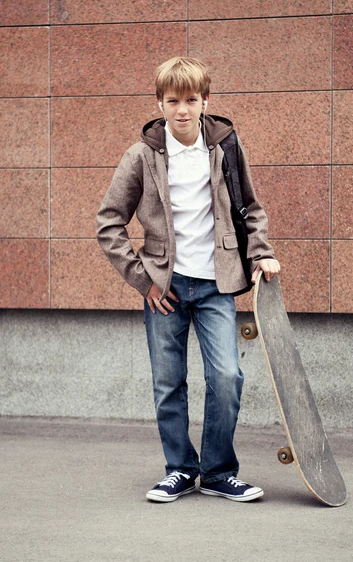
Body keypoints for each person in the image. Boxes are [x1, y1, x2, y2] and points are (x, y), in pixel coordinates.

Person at [96, 56, 280, 503]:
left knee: (227, 375)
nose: (182, 109)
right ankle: (179, 469)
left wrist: (263, 253)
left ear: (205, 101)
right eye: (173, 100)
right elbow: (108, 223)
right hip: (166, 287)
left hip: (216, 283)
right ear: (159, 103)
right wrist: (145, 281)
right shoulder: (141, 155)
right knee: (168, 382)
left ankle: (217, 472)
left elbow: (250, 209)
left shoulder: (225, 147)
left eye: (191, 99)